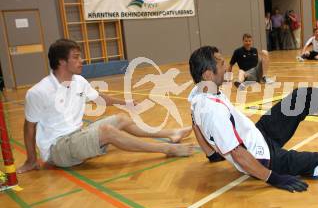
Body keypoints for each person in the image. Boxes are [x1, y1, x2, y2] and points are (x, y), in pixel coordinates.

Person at [188, 45, 318, 193]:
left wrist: (212, 155)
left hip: (259, 133)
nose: (226, 68)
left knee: (300, 97)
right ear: (208, 74)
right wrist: (274, 178)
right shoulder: (213, 111)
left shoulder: (198, 93)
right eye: (221, 64)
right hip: (263, 158)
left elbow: (196, 125)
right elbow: (238, 154)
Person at [18, 39, 194, 173]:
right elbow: (29, 127)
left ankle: (171, 133)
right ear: (61, 62)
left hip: (77, 135)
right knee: (107, 131)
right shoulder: (39, 92)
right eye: (76, 57)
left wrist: (126, 103)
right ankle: (167, 149)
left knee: (120, 119)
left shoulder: (79, 81)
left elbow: (100, 98)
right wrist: (31, 159)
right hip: (57, 148)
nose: (82, 60)